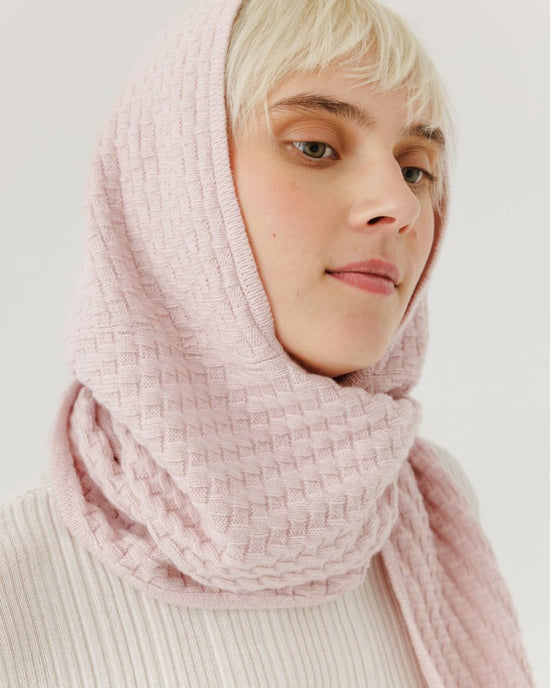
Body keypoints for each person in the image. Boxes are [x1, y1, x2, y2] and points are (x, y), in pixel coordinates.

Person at [0, 0, 534, 686]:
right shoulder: (19, 577)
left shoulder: (430, 520)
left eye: (415, 168)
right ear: (178, 188)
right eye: (315, 146)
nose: (401, 205)